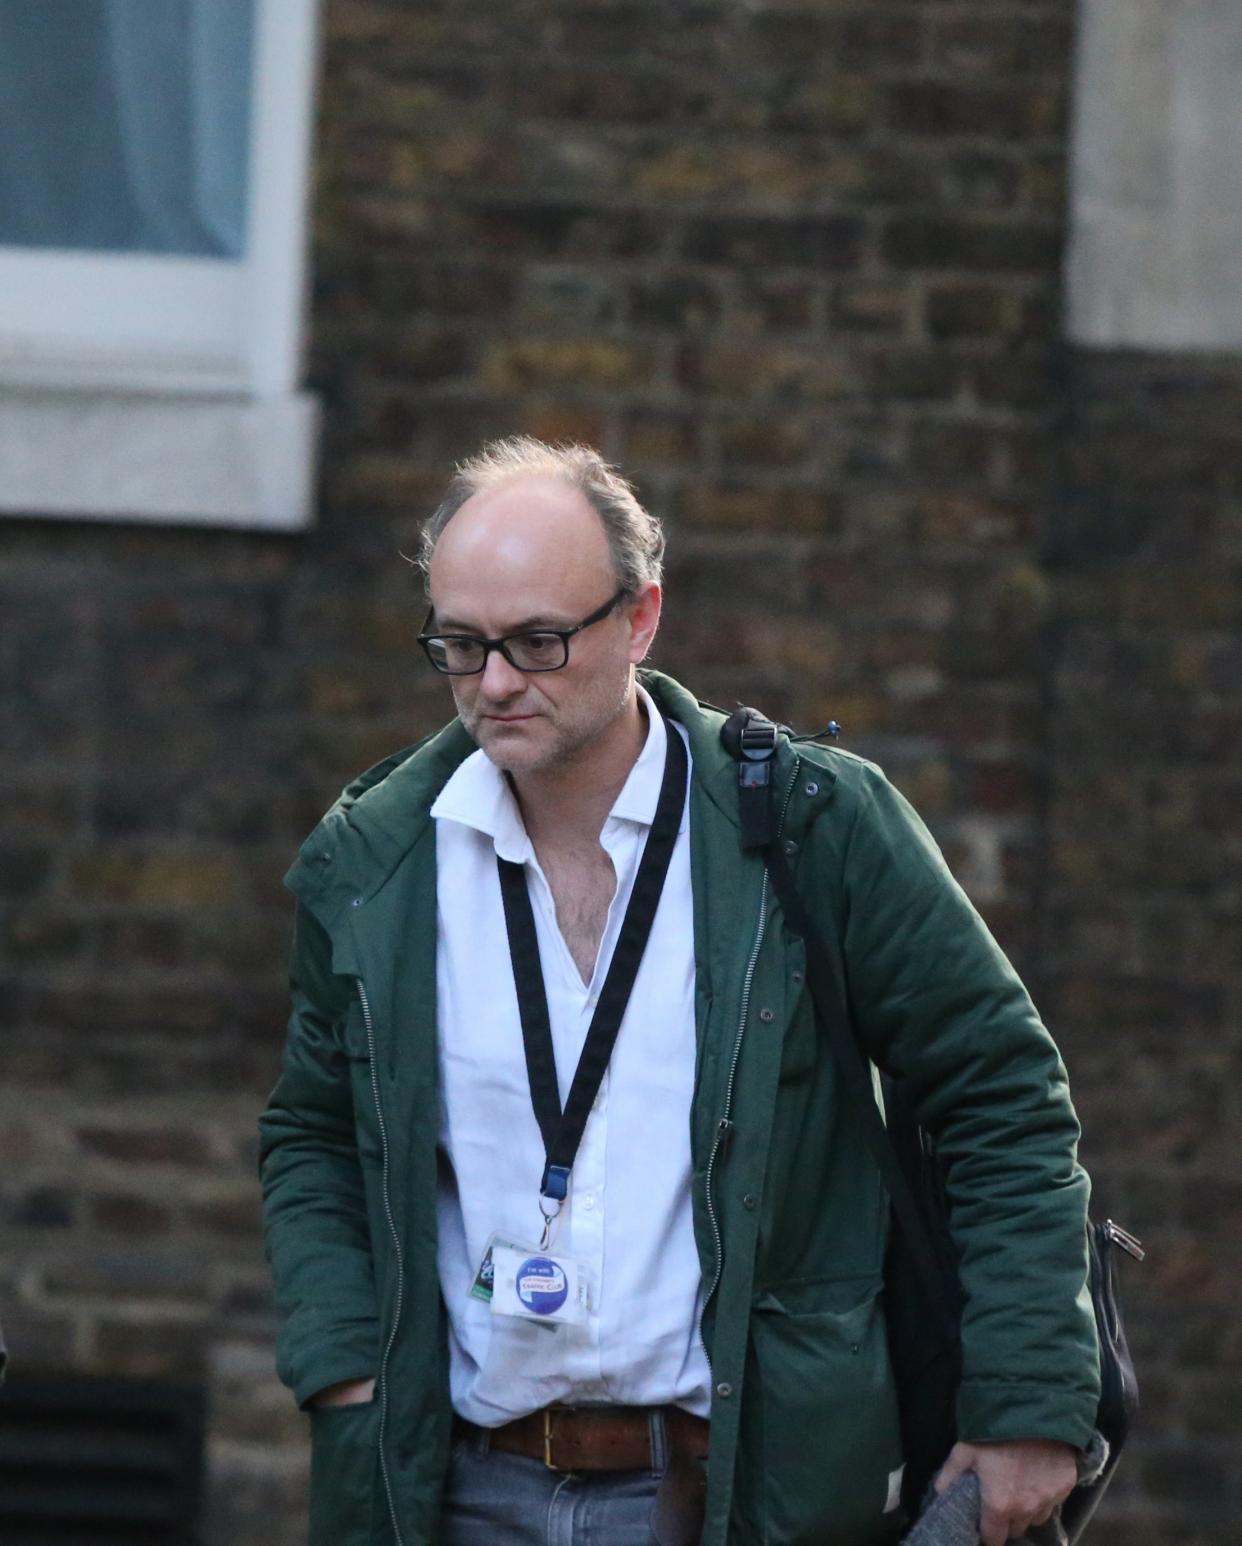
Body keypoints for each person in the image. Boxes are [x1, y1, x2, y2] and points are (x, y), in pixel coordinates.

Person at [259, 437, 1099, 1546]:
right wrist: (344, 1373)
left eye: (539, 641)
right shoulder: (375, 863)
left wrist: (1031, 1399)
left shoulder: (812, 828)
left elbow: (1000, 1092)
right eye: (460, 646)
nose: (497, 683)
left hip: (742, 1488)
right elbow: (312, 1134)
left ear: (641, 617)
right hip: (458, 1486)